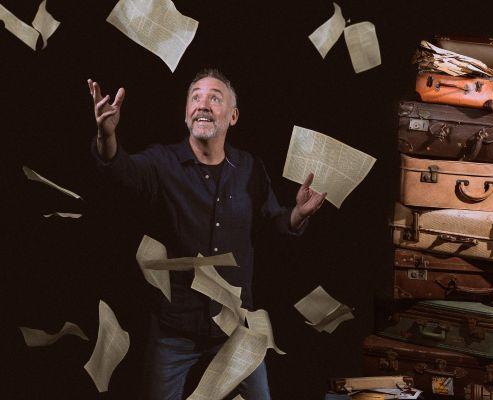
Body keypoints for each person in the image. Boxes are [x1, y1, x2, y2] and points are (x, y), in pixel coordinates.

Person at [87, 68, 326, 400]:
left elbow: (274, 224)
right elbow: (121, 172)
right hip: (174, 328)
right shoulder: (161, 161)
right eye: (195, 97)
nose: (203, 105)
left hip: (235, 326)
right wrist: (106, 137)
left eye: (215, 98)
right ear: (186, 113)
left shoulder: (250, 168)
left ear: (233, 116)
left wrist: (298, 213)